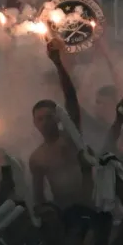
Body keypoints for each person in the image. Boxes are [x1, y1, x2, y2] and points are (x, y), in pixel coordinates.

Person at [29, 40, 86, 208]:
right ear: (34, 123)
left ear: (58, 118)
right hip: (63, 210)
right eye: (40, 119)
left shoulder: (70, 138)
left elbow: (71, 99)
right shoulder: (37, 158)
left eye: (49, 117)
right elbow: (39, 196)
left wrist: (58, 64)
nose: (45, 122)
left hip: (87, 205)